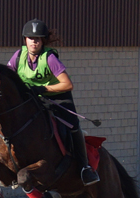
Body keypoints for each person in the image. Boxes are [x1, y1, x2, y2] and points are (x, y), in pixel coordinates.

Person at [7, 18, 100, 186]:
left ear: (43, 41)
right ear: (25, 40)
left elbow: (67, 84)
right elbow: (8, 80)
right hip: (32, 100)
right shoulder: (18, 56)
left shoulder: (49, 58)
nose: (34, 42)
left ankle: (85, 168)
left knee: (72, 126)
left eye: (37, 39)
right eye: (30, 38)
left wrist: (43, 89)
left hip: (56, 98)